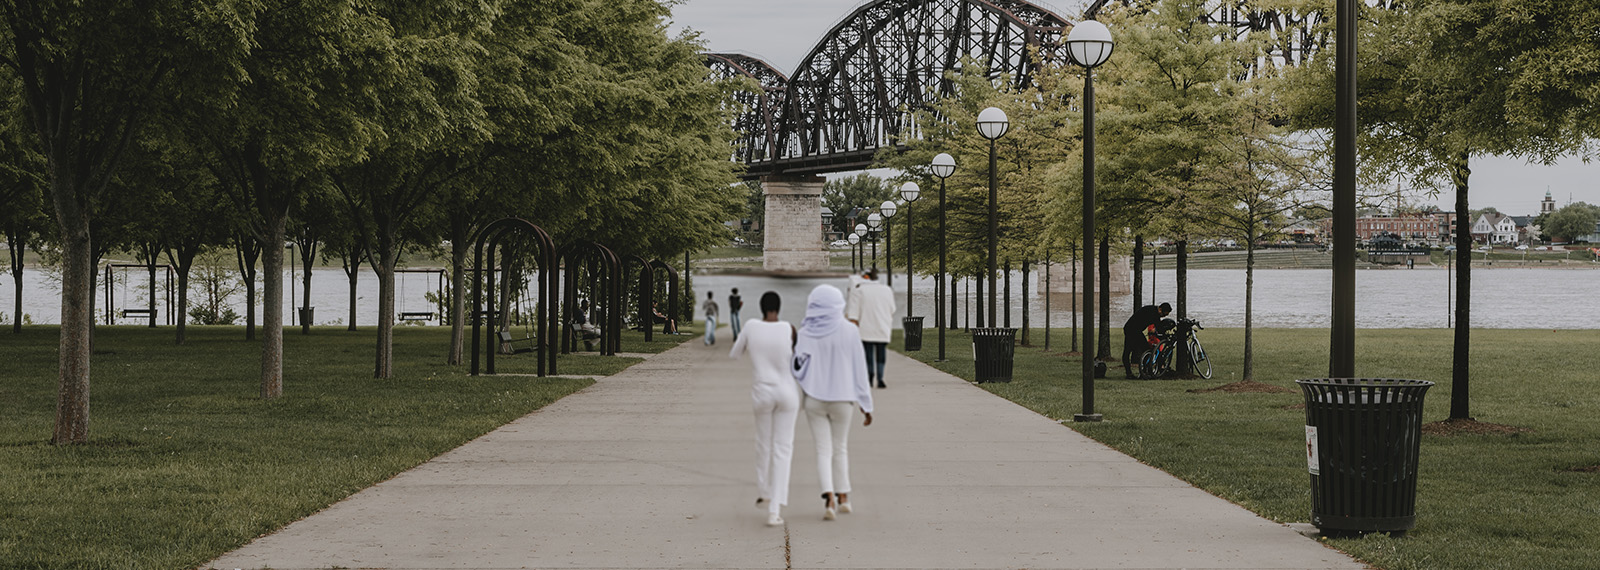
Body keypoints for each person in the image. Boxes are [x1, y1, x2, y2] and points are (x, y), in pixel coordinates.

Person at [792, 285, 873, 520]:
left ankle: (828, 498)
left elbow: (797, 369)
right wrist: (866, 404)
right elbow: (860, 370)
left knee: (822, 450)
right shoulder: (850, 330)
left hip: (814, 399)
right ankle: (843, 496)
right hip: (843, 398)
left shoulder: (805, 333)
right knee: (840, 448)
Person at [728, 292, 800, 527]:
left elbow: (734, 354)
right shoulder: (789, 329)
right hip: (787, 392)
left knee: (763, 444)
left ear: (761, 307)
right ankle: (774, 510)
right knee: (783, 449)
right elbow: (797, 360)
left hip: (762, 393)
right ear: (779, 307)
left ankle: (764, 491)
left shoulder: (751, 326)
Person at [846, 269, 895, 388]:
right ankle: (880, 378)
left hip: (865, 326)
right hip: (882, 325)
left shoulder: (859, 291)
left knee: (868, 353)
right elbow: (892, 309)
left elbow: (853, 313)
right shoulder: (887, 290)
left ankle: (870, 376)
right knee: (881, 352)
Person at [1122, 302, 1172, 378]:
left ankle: (1141, 371)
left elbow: (1158, 327)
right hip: (1131, 329)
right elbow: (1159, 327)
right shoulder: (1153, 313)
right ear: (1160, 309)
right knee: (1134, 349)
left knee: (1138, 349)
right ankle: (1134, 372)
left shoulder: (1153, 311)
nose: (1163, 316)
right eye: (1164, 314)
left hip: (1136, 330)